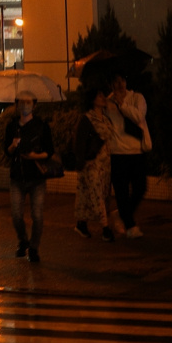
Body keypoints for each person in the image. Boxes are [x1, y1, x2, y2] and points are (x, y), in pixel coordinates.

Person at [2, 92, 54, 261]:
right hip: (17, 177)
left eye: (28, 102)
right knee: (16, 215)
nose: (25, 105)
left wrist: (34, 156)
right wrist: (12, 146)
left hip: (37, 178)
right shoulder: (12, 126)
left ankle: (34, 247)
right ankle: (23, 240)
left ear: (34, 105)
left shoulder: (41, 126)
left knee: (37, 215)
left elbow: (49, 151)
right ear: (17, 105)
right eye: (21, 102)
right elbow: (7, 152)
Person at [105, 73, 150, 238]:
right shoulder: (107, 102)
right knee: (121, 192)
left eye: (122, 80)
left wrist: (122, 104)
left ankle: (122, 214)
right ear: (111, 85)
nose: (119, 84)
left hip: (136, 152)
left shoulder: (137, 98)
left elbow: (139, 116)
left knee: (140, 188)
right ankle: (130, 226)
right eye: (115, 81)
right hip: (117, 153)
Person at [74, 84, 117, 241]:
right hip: (92, 164)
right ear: (92, 99)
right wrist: (81, 161)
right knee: (97, 195)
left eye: (102, 95)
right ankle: (105, 228)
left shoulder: (105, 118)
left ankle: (81, 224)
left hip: (105, 164)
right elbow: (80, 142)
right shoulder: (87, 118)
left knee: (97, 195)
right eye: (99, 96)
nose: (103, 98)